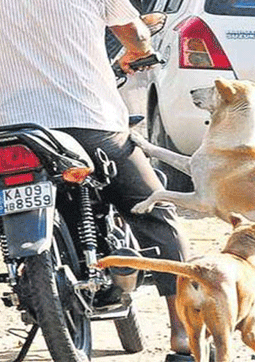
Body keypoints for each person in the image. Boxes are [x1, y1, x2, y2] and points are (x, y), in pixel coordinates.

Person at [0, 1, 192, 361]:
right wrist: (140, 51)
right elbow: (135, 33)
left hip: (9, 131)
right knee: (155, 210)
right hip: (88, 121)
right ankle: (183, 336)